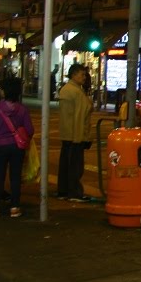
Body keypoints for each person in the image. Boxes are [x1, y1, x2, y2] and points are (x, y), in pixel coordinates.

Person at [0, 78, 33, 219]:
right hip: (17, 147)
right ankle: (15, 207)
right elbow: (30, 130)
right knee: (15, 177)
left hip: (1, 146)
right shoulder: (22, 110)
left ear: (5, 91)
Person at [58, 63, 92, 202]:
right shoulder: (75, 91)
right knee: (75, 166)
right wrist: (83, 137)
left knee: (66, 164)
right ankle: (74, 192)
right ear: (73, 75)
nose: (84, 77)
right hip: (75, 135)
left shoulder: (68, 89)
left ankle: (64, 191)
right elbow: (80, 116)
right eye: (82, 74)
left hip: (68, 133)